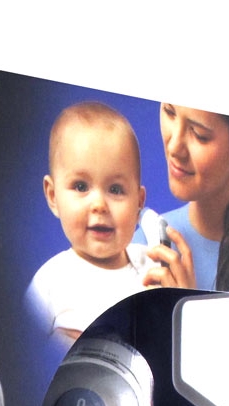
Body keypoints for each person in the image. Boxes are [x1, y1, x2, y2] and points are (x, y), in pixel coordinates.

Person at [26, 102, 152, 346]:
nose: (99, 205)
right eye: (81, 186)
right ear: (53, 196)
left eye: (115, 189)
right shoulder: (50, 282)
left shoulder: (152, 268)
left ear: (139, 202)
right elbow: (21, 352)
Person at [145, 104, 229, 293]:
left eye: (199, 134)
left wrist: (188, 304)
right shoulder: (145, 245)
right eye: (169, 112)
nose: (174, 148)